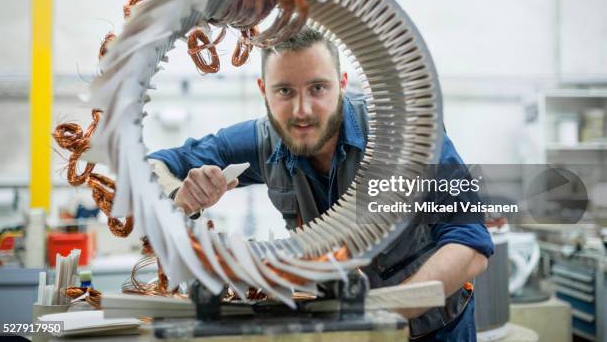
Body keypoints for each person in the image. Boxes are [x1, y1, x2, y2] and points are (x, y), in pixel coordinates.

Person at [148, 27, 493, 341]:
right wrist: (180, 193)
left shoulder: (406, 133)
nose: (302, 111)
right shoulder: (262, 141)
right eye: (284, 90)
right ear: (263, 92)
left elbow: (470, 247)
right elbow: (154, 165)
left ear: (342, 83)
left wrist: (378, 312)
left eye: (318, 88)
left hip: (435, 332)